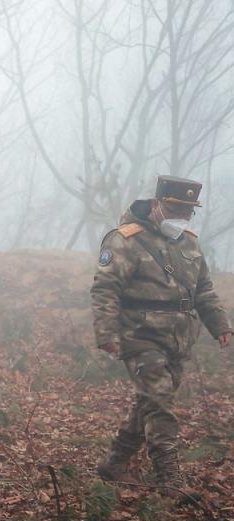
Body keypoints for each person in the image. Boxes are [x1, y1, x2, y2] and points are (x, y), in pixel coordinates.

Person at [91, 175, 233, 502]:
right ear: (156, 205)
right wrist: (107, 333)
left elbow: (203, 290)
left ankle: (114, 462)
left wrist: (220, 325)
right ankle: (169, 477)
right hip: (138, 335)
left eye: (187, 212)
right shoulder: (124, 240)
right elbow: (105, 290)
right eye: (174, 209)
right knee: (159, 400)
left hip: (179, 337)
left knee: (150, 401)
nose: (180, 218)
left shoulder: (190, 243)